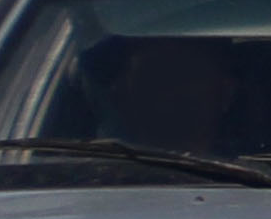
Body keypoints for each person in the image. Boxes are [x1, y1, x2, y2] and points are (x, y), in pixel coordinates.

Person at [95, 37, 237, 154]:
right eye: (154, 74)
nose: (171, 91)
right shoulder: (92, 157)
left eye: (188, 75)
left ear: (226, 91)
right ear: (121, 92)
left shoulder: (251, 171)